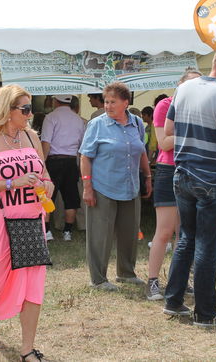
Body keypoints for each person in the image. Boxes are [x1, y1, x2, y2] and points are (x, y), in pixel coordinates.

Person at [163, 45, 216, 327]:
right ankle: (205, 313)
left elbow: (169, 131)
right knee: (207, 247)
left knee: (186, 240)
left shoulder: (183, 89)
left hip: (183, 175)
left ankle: (173, 301)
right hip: (212, 179)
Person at [0, 84, 53, 361]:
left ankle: (27, 348)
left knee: (33, 282)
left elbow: (45, 174)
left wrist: (48, 185)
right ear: (7, 110)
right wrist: (11, 183)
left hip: (33, 218)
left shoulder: (31, 137)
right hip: (2, 218)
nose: (30, 115)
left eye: (31, 109)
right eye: (25, 109)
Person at [79, 82, 152, 291]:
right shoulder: (97, 124)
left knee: (129, 232)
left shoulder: (137, 123)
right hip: (103, 186)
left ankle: (126, 273)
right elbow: (85, 156)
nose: (108, 106)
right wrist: (87, 186)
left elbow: (141, 151)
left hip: (130, 186)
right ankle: (98, 279)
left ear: (125, 103)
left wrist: (148, 176)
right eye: (106, 102)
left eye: (113, 102)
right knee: (100, 235)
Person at [146, 69, 202, 301]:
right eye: (190, 84)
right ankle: (152, 281)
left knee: (185, 232)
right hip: (169, 170)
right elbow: (164, 143)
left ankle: (179, 280)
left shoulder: (201, 107)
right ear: (179, 85)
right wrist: (194, 134)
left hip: (193, 169)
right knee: (165, 231)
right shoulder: (165, 105)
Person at [41, 94, 85, 242]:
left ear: (55, 101)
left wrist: (42, 163)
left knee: (48, 196)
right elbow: (82, 146)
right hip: (71, 161)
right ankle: (67, 231)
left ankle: (47, 231)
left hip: (53, 161)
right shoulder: (78, 120)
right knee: (71, 198)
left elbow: (46, 142)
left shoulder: (51, 117)